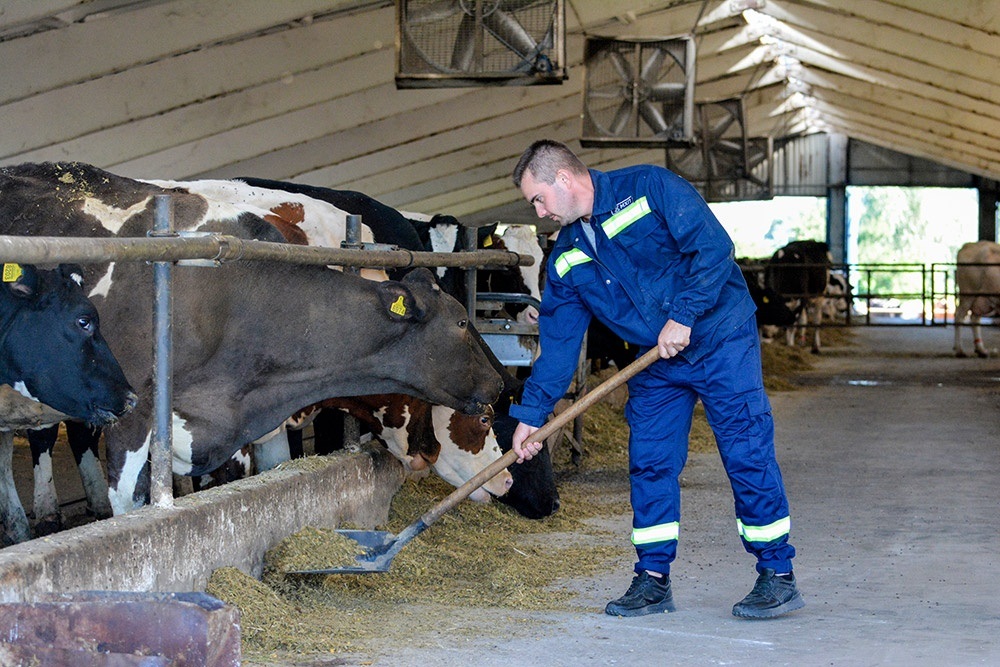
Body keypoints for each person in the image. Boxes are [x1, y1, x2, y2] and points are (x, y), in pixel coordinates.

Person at [509, 139, 803, 619]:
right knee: (650, 463)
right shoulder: (565, 256)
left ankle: (777, 572)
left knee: (745, 450)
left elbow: (713, 249)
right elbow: (559, 343)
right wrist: (532, 416)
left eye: (538, 199)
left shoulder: (648, 188)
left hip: (719, 337)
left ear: (563, 179)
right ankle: (652, 578)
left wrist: (685, 316)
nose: (539, 212)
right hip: (655, 359)